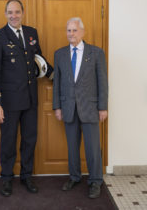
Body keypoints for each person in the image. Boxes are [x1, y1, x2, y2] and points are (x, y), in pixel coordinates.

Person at [0, 0, 53, 197]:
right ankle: (6, 178)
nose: (14, 15)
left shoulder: (31, 33)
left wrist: (56, 76)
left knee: (30, 139)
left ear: (22, 13)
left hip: (31, 99)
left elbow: (38, 60)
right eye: (10, 12)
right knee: (8, 140)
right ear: (5, 14)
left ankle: (26, 176)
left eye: (17, 12)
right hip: (9, 101)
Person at [53, 17, 108, 199]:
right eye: (68, 30)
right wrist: (57, 107)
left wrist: (103, 107)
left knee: (92, 148)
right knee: (72, 147)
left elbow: (102, 82)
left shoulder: (96, 53)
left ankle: (95, 181)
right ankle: (75, 177)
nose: (71, 34)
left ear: (83, 32)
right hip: (68, 108)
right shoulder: (59, 54)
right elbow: (57, 83)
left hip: (90, 108)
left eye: (75, 30)